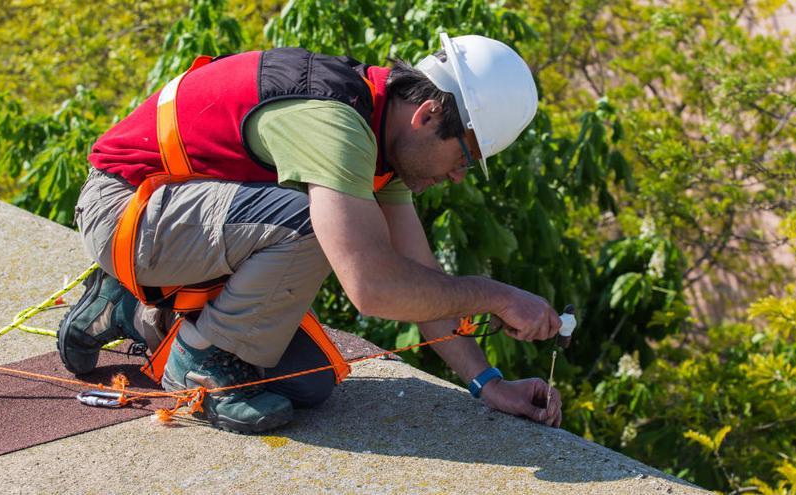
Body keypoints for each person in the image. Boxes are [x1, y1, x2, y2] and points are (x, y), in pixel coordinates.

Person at [58, 32, 564, 434]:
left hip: (174, 222)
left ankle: (131, 306)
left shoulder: (381, 135)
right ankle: (199, 365)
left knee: (310, 383)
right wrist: (498, 296)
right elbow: (372, 287)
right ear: (427, 115)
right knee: (305, 222)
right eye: (466, 156)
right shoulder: (338, 124)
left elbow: (423, 284)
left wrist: (489, 384)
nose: (458, 176)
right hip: (124, 208)